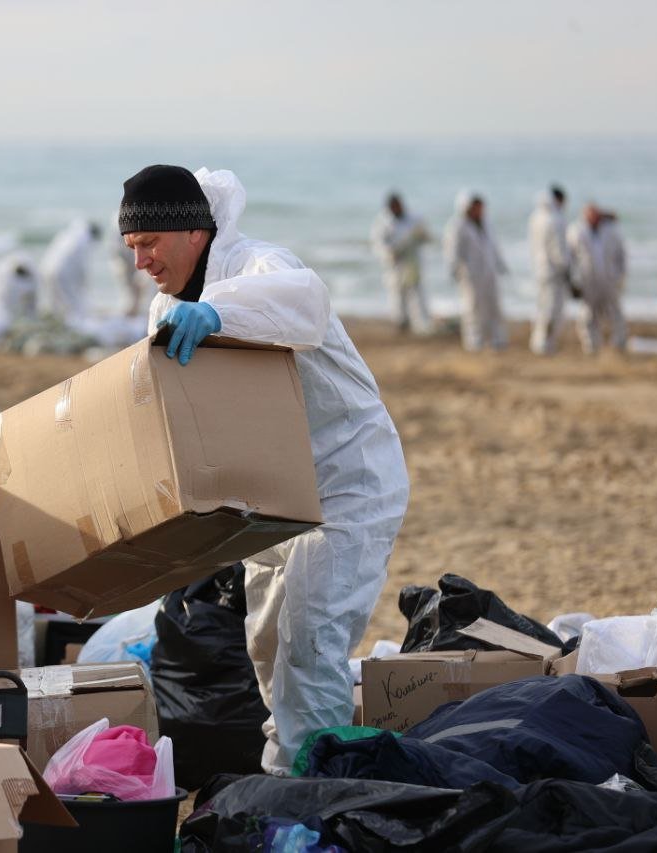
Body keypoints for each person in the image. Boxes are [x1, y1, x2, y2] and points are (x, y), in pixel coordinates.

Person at [118, 164, 408, 774]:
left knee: (311, 644)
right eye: (131, 248)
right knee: (269, 647)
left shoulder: (259, 265)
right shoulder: (167, 307)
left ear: (193, 232)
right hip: (270, 498)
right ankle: (297, 769)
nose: (140, 260)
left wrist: (218, 315)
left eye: (148, 243)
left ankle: (314, 792)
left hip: (346, 482)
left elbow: (305, 299)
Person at [443, 190, 508, 351]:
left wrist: (500, 263)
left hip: (489, 271)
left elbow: (493, 246)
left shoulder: (487, 223)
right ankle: (474, 341)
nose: (480, 210)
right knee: (472, 308)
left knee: (494, 306)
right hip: (470, 274)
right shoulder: (457, 226)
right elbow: (452, 251)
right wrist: (454, 270)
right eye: (476, 207)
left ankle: (497, 339)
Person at [567, 204, 627, 354]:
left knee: (615, 312)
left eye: (596, 214)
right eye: (590, 214)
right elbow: (570, 257)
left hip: (609, 279)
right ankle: (591, 346)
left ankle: (619, 343)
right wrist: (573, 280)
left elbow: (621, 254)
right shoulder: (576, 230)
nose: (593, 218)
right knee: (587, 314)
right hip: (588, 280)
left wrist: (620, 275)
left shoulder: (611, 230)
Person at [370, 192, 432, 335]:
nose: (397, 208)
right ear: (389, 208)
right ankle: (402, 323)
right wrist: (393, 251)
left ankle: (422, 323)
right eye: (394, 206)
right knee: (398, 294)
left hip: (414, 262)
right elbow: (379, 246)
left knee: (418, 292)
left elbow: (427, 237)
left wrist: (419, 235)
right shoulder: (383, 223)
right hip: (396, 264)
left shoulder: (415, 218)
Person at [528, 186, 572, 355]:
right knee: (553, 310)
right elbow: (558, 250)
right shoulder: (555, 219)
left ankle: (538, 342)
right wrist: (567, 269)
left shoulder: (536, 217)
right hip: (554, 273)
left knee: (542, 307)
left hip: (540, 270)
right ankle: (546, 344)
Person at [40, 219, 100, 319]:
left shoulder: (68, 235)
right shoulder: (83, 241)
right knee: (73, 305)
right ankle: (75, 324)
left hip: (47, 269)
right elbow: (82, 267)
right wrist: (85, 285)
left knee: (55, 303)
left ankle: (57, 322)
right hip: (61, 274)